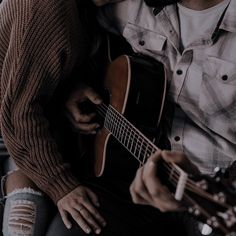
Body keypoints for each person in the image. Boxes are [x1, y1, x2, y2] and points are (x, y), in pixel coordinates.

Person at [48, 0, 236, 235]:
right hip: (130, 172)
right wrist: (72, 84)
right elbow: (75, 26)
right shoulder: (136, 6)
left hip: (210, 192)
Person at [0, 0, 102, 235]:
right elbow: (18, 116)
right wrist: (62, 186)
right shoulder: (46, 8)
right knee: (23, 225)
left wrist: (67, 91)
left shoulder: (88, 9)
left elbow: (37, 69)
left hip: (27, 127)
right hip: (13, 131)